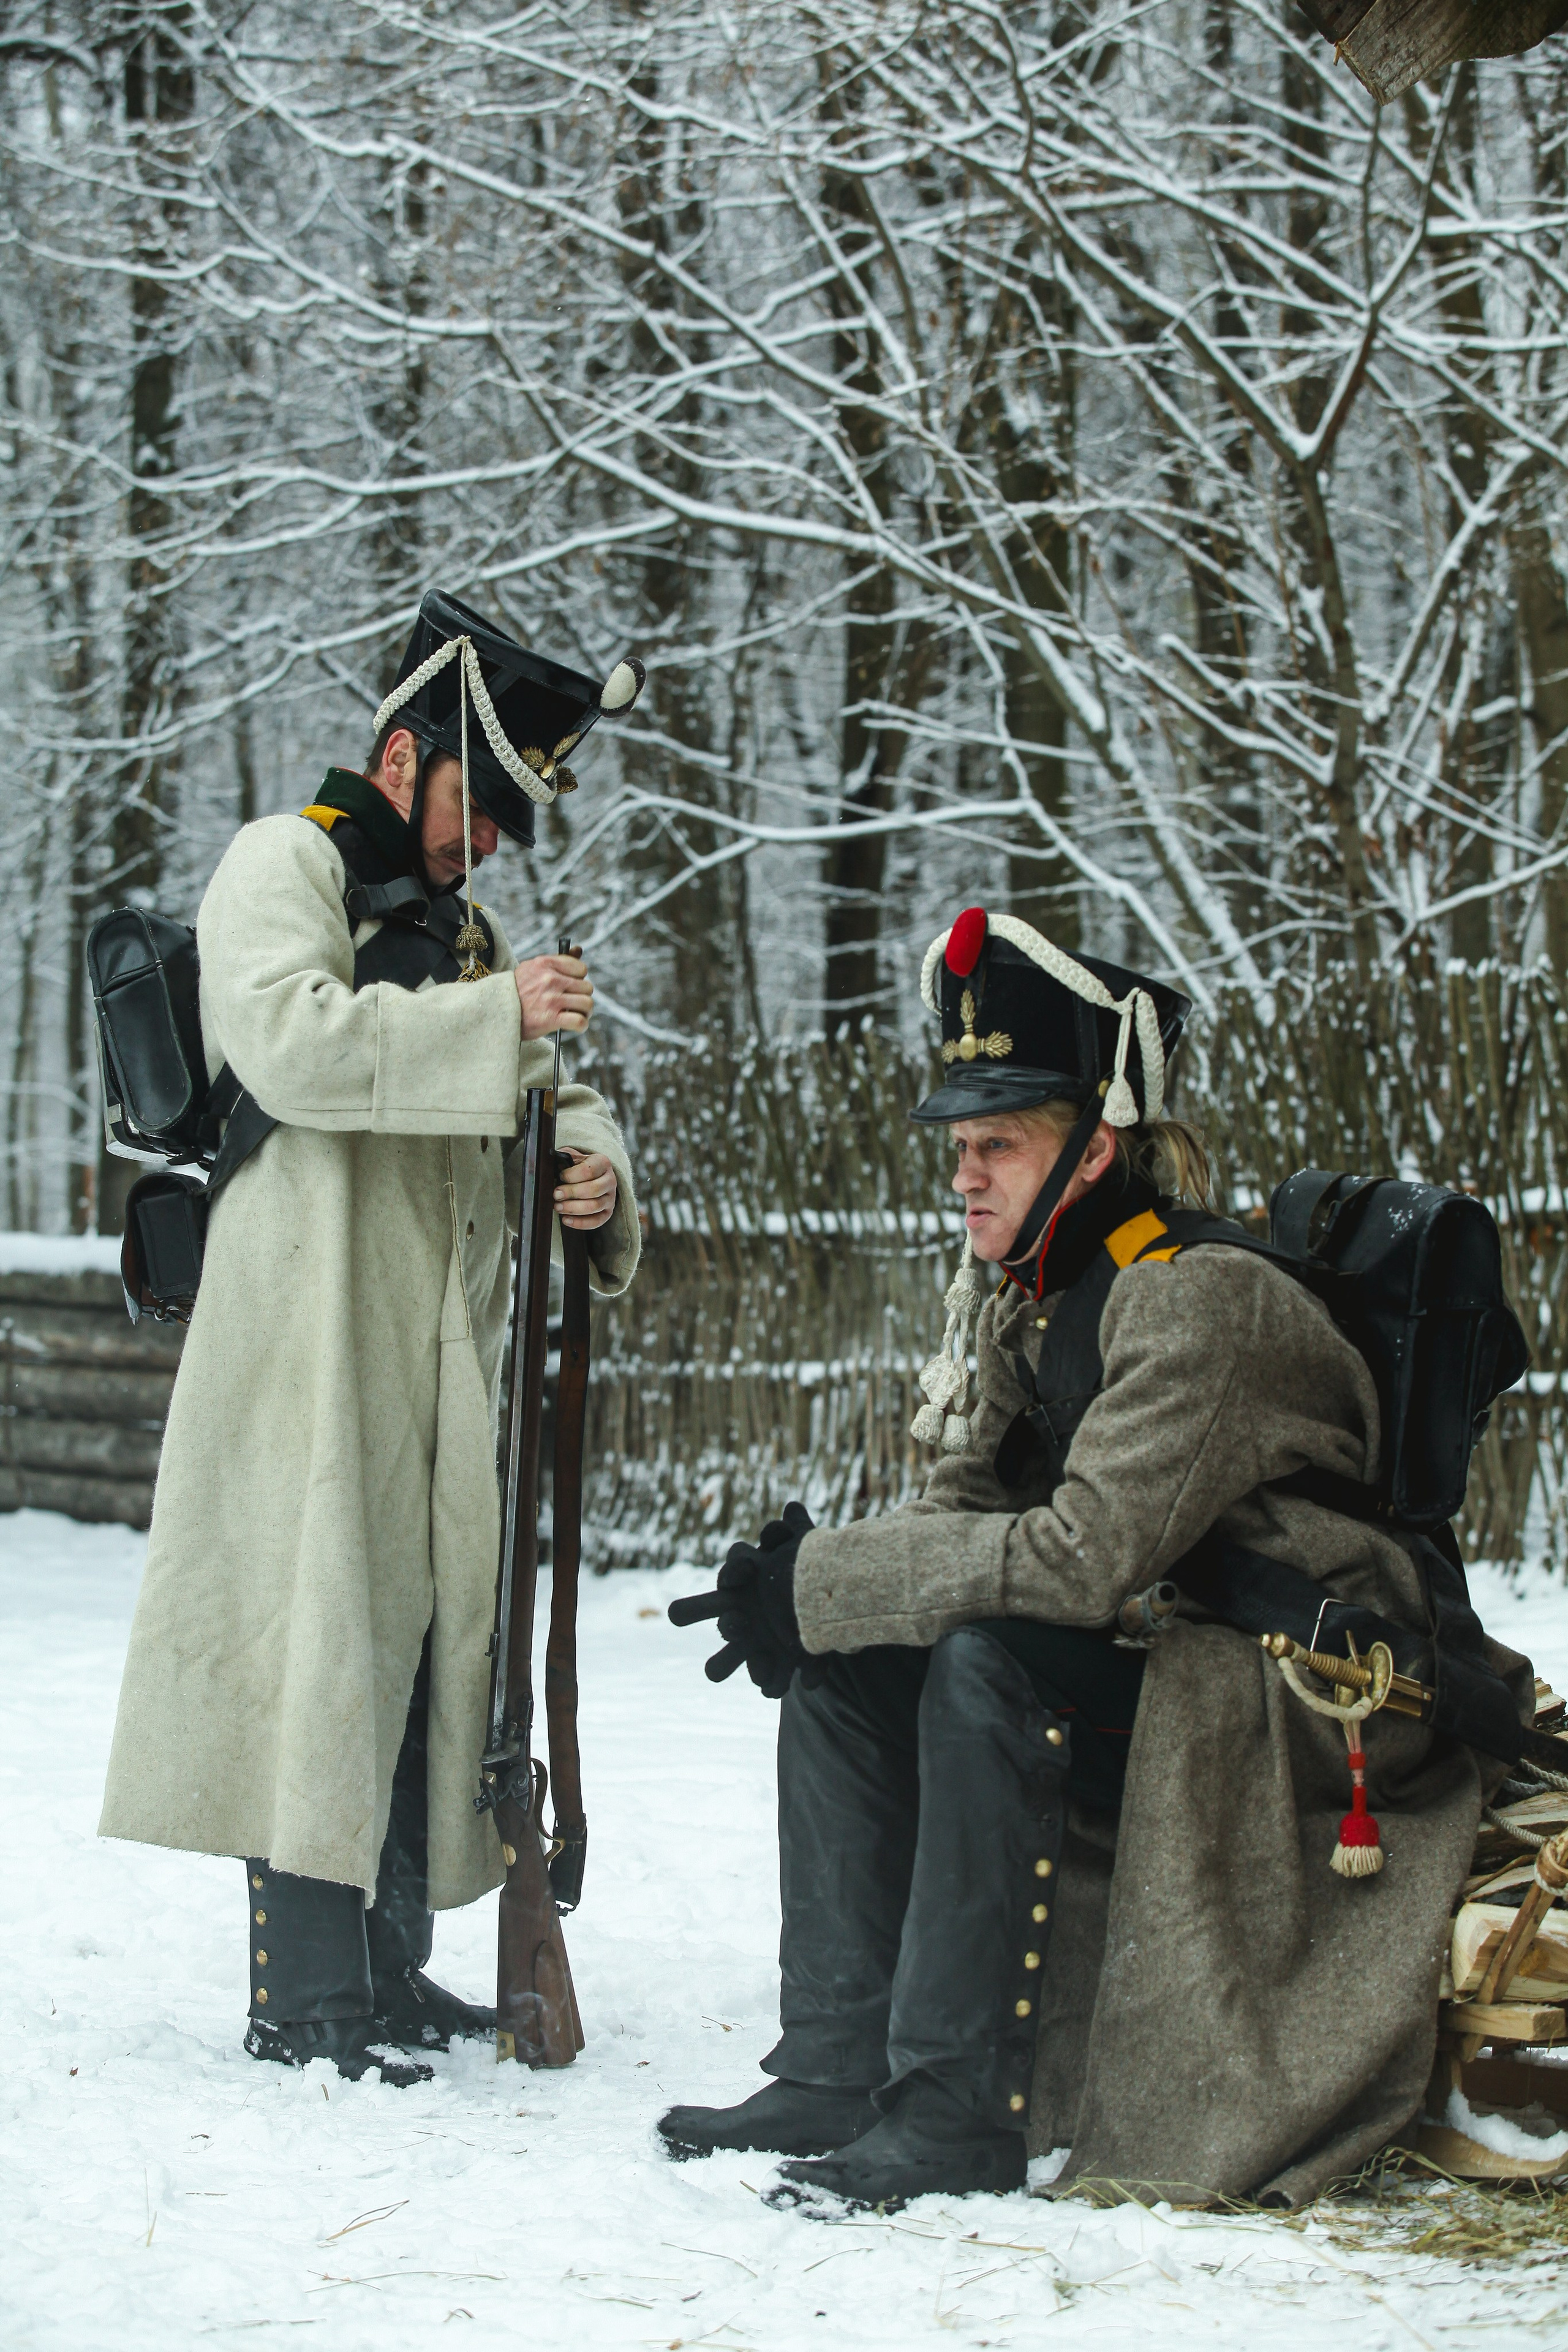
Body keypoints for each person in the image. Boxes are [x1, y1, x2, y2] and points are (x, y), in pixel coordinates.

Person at [662, 904, 1533, 2210]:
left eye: (997, 1143)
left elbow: (1075, 1563)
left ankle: (958, 2113)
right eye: (957, 1145)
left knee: (987, 1664)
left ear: (1094, 1144)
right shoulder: (1047, 1293)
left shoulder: (1197, 1302)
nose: (964, 1174)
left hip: (1301, 1694)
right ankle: (839, 2064)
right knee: (849, 1669)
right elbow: (961, 1510)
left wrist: (828, 1585)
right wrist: (814, 1593)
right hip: (1187, 1659)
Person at [100, 590, 646, 2084]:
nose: (485, 848)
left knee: (419, 1655)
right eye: (477, 805)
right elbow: (288, 1042)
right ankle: (309, 2000)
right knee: (316, 1644)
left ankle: (391, 1972)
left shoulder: (466, 928)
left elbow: (546, 1088)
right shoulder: (282, 863)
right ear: (405, 762)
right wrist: (496, 1025)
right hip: (309, 1331)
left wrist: (593, 1174)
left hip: (436, 1349)